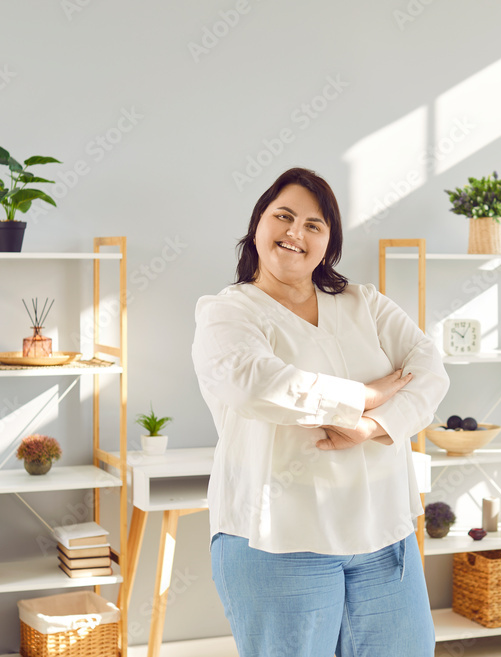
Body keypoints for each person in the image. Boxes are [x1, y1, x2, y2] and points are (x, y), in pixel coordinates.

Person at [191, 167, 449, 657]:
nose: (295, 232)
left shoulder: (362, 303)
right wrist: (366, 394)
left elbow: (428, 370)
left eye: (314, 225)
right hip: (279, 539)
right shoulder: (228, 312)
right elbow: (257, 385)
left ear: (329, 243)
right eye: (283, 217)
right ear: (258, 225)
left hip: (382, 534)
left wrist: (373, 424)